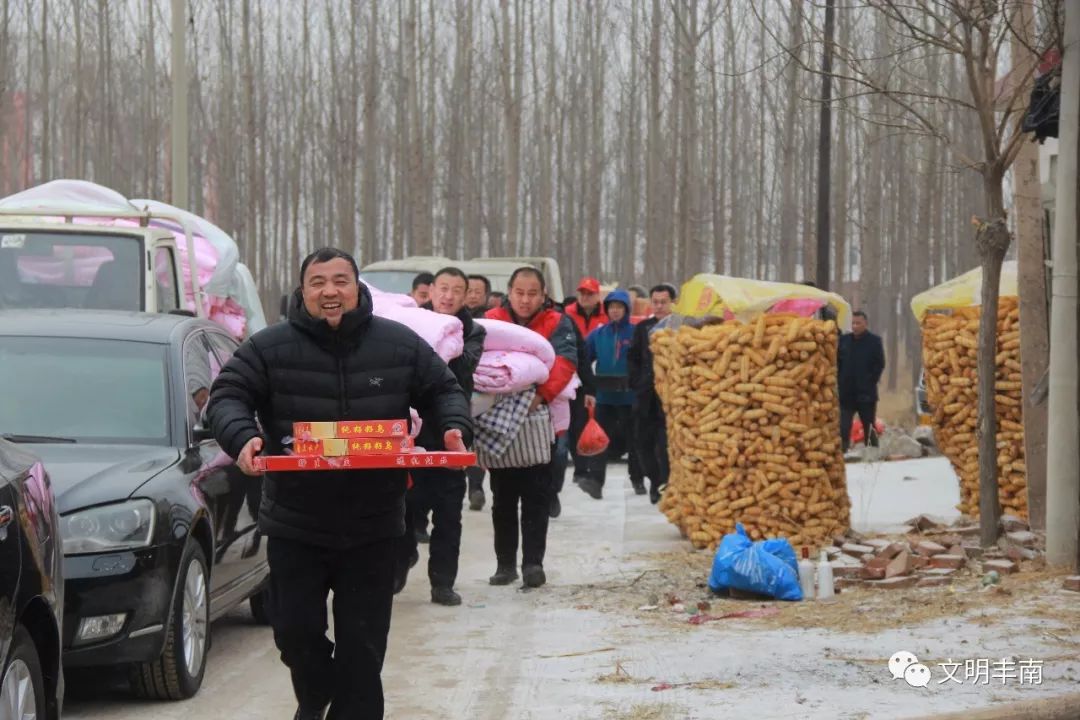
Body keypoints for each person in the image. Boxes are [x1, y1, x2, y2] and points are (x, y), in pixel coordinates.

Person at [206, 247, 472, 720]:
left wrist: (453, 428)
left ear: (356, 286)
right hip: (296, 523)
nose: (330, 291)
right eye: (318, 282)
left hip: (374, 525)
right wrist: (244, 437)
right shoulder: (269, 347)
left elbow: (443, 390)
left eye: (340, 280)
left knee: (363, 650)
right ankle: (316, 694)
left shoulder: (399, 344)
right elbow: (228, 395)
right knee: (295, 633)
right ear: (303, 290)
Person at [396, 267, 486, 606]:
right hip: (410, 430)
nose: (448, 296)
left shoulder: (473, 332)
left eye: (456, 290)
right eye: (442, 288)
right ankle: (400, 561)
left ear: (466, 296)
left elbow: (462, 369)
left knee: (449, 513)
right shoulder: (410, 325)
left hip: (452, 429)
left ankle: (442, 583)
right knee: (403, 506)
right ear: (430, 291)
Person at [484, 267, 577, 588]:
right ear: (509, 292)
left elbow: (565, 362)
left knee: (537, 496)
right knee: (502, 496)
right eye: (519, 293)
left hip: (541, 417)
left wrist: (541, 395)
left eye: (532, 293)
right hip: (497, 418)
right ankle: (505, 563)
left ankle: (533, 563)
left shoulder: (558, 322)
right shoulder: (492, 319)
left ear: (543, 294)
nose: (525, 300)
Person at [578, 289, 637, 500]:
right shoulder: (598, 334)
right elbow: (584, 359)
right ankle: (595, 481)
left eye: (619, 307)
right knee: (599, 440)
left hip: (630, 397)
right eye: (611, 307)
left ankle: (637, 478)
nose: (615, 311)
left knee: (634, 441)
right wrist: (589, 387)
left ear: (626, 310)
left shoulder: (635, 332)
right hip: (605, 396)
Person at [628, 284, 677, 504]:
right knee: (643, 442)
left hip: (670, 396)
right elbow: (633, 358)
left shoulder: (679, 327)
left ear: (672, 303)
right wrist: (637, 382)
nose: (658, 306)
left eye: (663, 302)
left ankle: (664, 484)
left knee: (664, 442)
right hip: (645, 395)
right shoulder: (643, 328)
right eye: (655, 302)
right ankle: (654, 478)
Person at [838, 310, 886, 452]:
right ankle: (843, 452)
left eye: (858, 323)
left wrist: (871, 381)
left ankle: (872, 453)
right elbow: (838, 362)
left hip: (866, 393)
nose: (855, 326)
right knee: (843, 426)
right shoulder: (844, 341)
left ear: (865, 323)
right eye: (853, 323)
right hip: (846, 393)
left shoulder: (874, 341)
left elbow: (880, 364)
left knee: (869, 425)